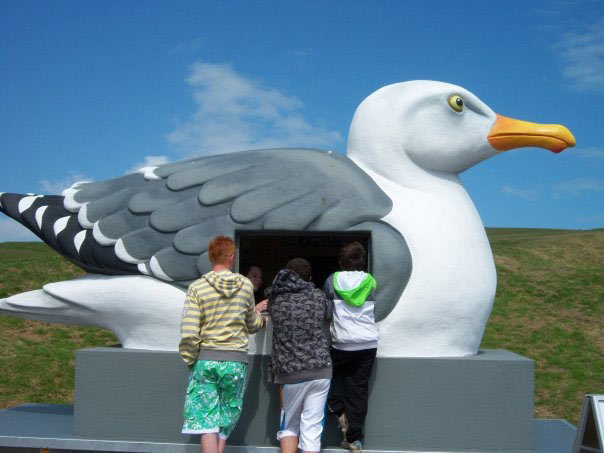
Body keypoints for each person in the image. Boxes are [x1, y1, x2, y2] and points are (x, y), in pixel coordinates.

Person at [179, 236, 267, 453]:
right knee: (225, 420)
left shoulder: (197, 288)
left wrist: (191, 360)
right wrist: (261, 317)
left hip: (206, 361)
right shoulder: (246, 286)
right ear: (231, 257)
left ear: (210, 257)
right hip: (235, 361)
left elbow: (189, 332)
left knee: (206, 422)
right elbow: (252, 324)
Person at [266, 258, 332, 453]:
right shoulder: (318, 296)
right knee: (311, 428)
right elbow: (329, 314)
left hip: (289, 373)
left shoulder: (275, 299)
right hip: (321, 370)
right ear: (309, 278)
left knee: (289, 426)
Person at [323, 242, 379, 453]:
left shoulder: (332, 280)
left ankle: (338, 411)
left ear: (340, 263)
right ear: (362, 263)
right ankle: (354, 440)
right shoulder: (371, 281)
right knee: (358, 390)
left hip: (342, 344)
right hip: (368, 344)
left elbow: (326, 313)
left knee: (323, 378)